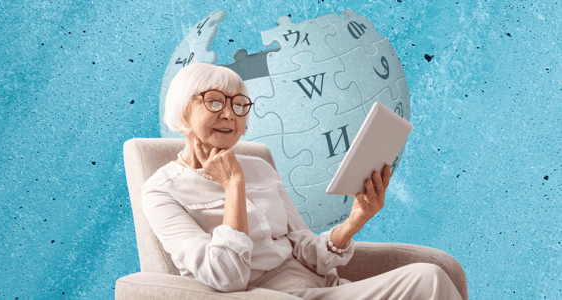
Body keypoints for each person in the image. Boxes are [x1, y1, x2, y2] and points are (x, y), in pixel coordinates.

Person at [141, 62, 463, 299]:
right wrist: (233, 186)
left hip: (326, 289)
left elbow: (307, 249)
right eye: (215, 101)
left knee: (430, 277)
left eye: (240, 105)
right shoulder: (161, 191)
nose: (230, 114)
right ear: (183, 107)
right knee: (431, 283)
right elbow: (227, 277)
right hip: (277, 296)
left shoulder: (261, 168)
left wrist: (355, 220)